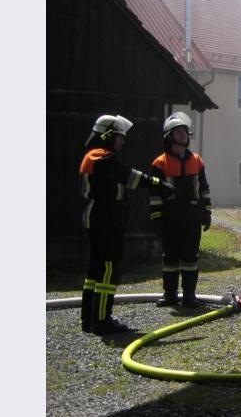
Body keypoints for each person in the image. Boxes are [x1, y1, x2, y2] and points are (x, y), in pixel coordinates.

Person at [79, 114, 173, 334]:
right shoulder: (101, 158)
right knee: (108, 270)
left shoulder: (94, 156)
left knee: (95, 271)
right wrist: (158, 183)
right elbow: (129, 177)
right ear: (107, 135)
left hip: (99, 219)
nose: (122, 141)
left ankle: (90, 319)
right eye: (120, 137)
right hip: (105, 220)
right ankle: (102, 320)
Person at [149, 112, 212, 308]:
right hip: (171, 218)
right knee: (170, 258)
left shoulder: (197, 161)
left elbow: (204, 188)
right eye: (178, 132)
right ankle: (169, 295)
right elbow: (155, 194)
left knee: (191, 258)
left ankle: (189, 295)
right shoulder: (159, 163)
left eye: (184, 131)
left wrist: (207, 212)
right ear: (169, 136)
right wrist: (157, 218)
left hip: (192, 217)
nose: (183, 134)